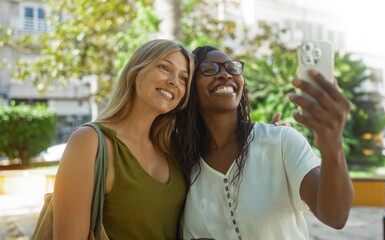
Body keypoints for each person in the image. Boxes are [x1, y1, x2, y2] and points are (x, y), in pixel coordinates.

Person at [176, 46, 354, 239]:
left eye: (232, 68)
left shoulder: (280, 141)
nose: (225, 75)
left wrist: (332, 145)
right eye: (210, 68)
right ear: (189, 87)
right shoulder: (181, 161)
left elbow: (336, 216)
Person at [52, 39, 194, 239]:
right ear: (136, 71)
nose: (174, 81)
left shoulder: (173, 148)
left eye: (183, 78)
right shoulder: (90, 142)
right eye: (164, 67)